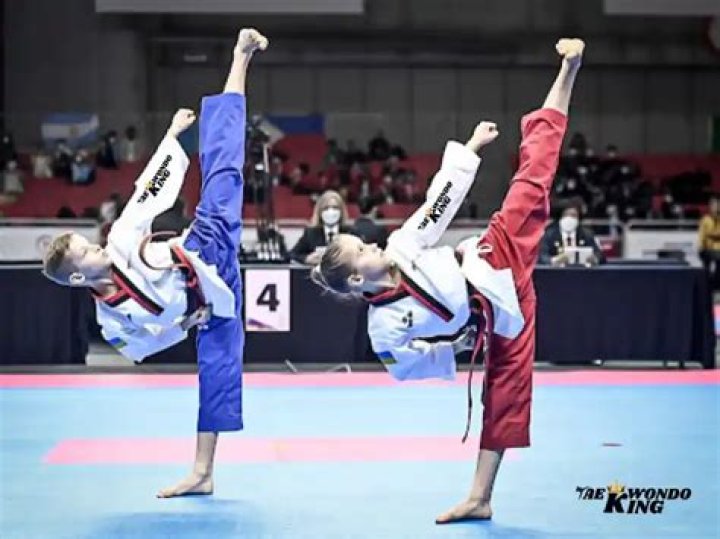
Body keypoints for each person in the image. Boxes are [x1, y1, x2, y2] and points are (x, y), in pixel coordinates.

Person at [310, 38, 585, 523]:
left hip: (492, 259)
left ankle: (568, 69)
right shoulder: (382, 327)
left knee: (533, 179)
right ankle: (480, 498)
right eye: (362, 251)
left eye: (364, 241)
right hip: (497, 321)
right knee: (504, 398)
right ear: (355, 279)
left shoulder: (402, 243)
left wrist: (471, 148)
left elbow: (437, 204)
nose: (372, 244)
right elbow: (403, 368)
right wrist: (451, 349)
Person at [41, 28, 269, 498]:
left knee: (223, 165)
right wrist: (185, 323)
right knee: (218, 375)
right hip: (209, 306)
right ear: (79, 276)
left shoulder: (121, 238)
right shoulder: (111, 320)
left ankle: (240, 57)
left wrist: (171, 136)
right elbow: (143, 348)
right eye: (87, 252)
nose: (97, 248)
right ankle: (202, 473)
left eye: (88, 243)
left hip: (203, 251)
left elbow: (147, 192)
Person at [290, 189, 353, 265]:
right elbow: (292, 254)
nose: (331, 212)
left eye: (335, 207)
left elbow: (363, 254)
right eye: (326, 208)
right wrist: (307, 259)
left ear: (341, 211)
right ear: (320, 211)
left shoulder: (350, 233)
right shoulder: (311, 233)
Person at [539, 198, 604, 266]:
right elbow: (542, 256)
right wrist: (555, 260)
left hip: (581, 271)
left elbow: (600, 256)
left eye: (573, 215)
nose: (569, 218)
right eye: (566, 215)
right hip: (557, 271)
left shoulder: (587, 234)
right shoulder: (549, 235)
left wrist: (595, 259)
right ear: (560, 217)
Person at [698, 193, 720, 290]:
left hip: (718, 250)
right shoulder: (705, 219)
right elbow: (702, 235)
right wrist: (701, 247)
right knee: (706, 268)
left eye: (716, 204)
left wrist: (711, 235)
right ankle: (707, 286)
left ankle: (716, 286)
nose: (714, 207)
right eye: (712, 204)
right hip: (708, 249)